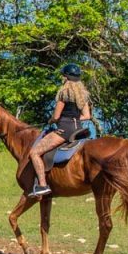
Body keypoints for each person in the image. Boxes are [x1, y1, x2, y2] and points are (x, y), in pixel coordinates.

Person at [26, 64, 93, 198]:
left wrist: (51, 121)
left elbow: (56, 117)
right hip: (79, 129)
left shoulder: (64, 93)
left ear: (66, 77)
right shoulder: (83, 95)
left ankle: (43, 185)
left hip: (65, 130)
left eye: (63, 76)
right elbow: (87, 116)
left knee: (34, 152)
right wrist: (74, 118)